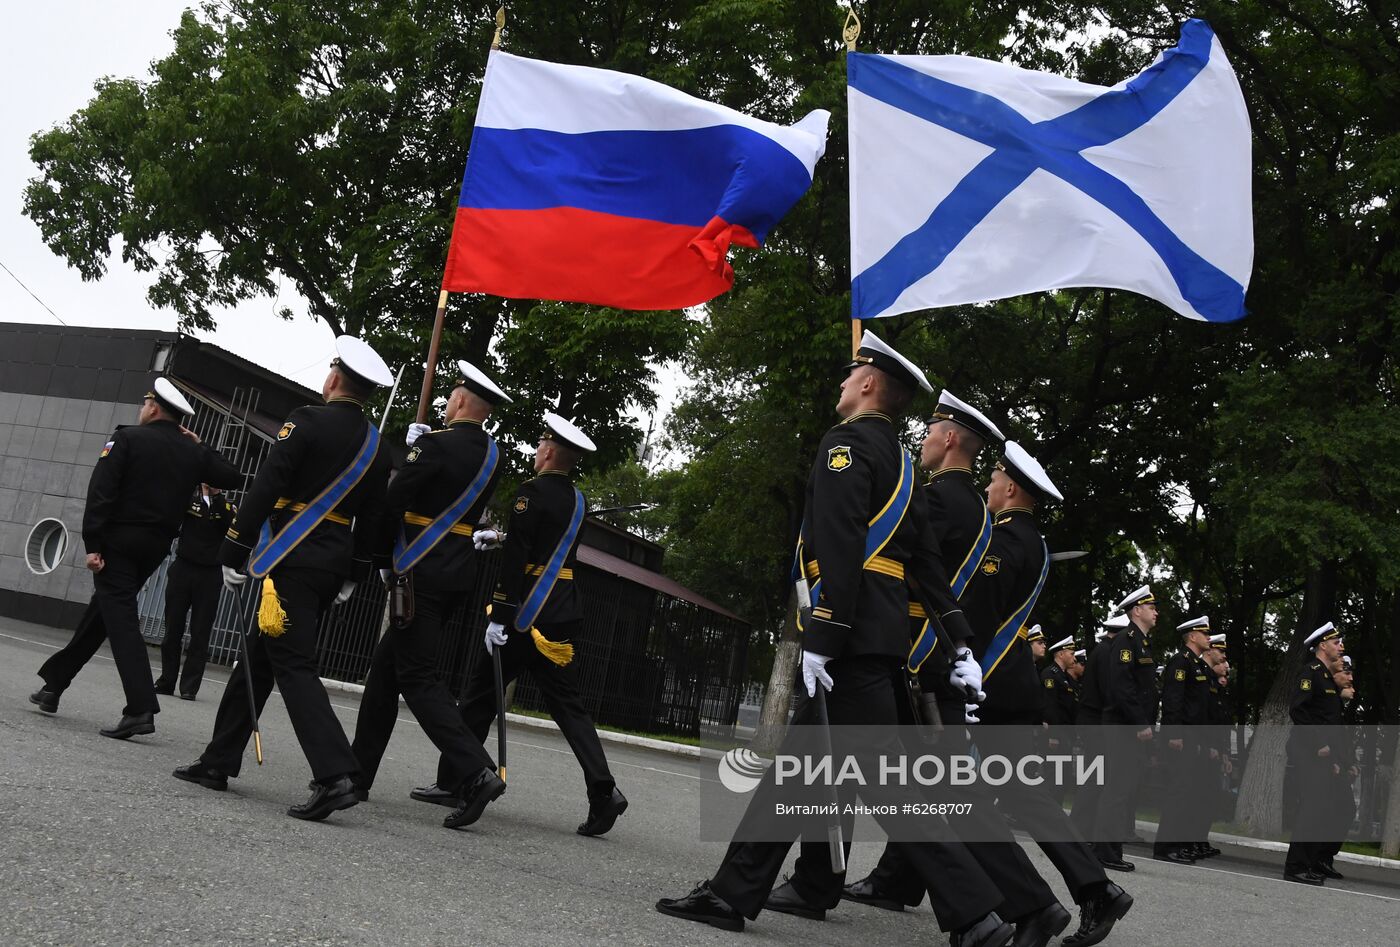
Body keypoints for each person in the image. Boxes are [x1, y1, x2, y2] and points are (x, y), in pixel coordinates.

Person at [656, 332, 1014, 947]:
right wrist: (959, 641)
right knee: (795, 775)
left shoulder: (846, 445)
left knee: (892, 786)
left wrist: (824, 634)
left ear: (871, 384)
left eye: (851, 374)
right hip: (877, 636)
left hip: (847, 638)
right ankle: (732, 893)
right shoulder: (901, 463)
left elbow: (843, 541)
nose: (842, 382)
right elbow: (927, 565)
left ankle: (977, 914)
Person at [173, 336, 393, 821]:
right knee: (259, 656)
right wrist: (356, 572)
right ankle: (218, 760)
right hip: (331, 560)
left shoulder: (307, 420)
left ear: (334, 377)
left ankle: (337, 775)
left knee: (293, 665)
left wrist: (235, 545)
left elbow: (270, 482)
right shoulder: (379, 447)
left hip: (292, 557)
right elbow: (375, 516)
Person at [958, 442, 1133, 947]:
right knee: (1022, 794)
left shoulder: (1005, 541)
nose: (988, 486)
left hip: (991, 684)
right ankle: (1097, 889)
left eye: (993, 479)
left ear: (1011, 488)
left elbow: (981, 618)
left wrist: (964, 677)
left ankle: (1033, 905)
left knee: (957, 794)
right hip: (1013, 686)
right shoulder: (1030, 539)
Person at [420, 412, 628, 837]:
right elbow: (548, 547)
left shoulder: (529, 494)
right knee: (570, 709)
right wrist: (500, 536)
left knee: (478, 697)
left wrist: (499, 613)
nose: (536, 451)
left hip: (524, 614)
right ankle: (604, 791)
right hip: (561, 613)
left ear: (549, 452)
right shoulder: (578, 500)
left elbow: (519, 563)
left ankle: (457, 780)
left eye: (540, 445)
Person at [30, 378, 239, 738]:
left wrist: (92, 544)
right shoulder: (192, 453)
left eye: (145, 403)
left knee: (121, 619)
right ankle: (54, 685)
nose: (142, 409)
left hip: (119, 544)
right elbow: (231, 476)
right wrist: (201, 444)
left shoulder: (127, 439)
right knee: (104, 611)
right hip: (155, 548)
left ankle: (140, 708)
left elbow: (101, 492)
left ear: (154, 408)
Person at [347, 360, 510, 820]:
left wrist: (380, 559)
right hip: (454, 574)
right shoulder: (492, 456)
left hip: (416, 570)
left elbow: (394, 501)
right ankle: (356, 775)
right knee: (385, 674)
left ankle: (475, 772)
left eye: (450, 396)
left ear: (459, 400)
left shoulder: (436, 445)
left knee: (417, 676)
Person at [1086, 586, 1158, 871]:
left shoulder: (1140, 643)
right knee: (1116, 789)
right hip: (1122, 727)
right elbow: (1121, 687)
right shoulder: (1127, 642)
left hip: (1129, 727)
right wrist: (1139, 723)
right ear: (1136, 610)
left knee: (1123, 789)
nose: (1156, 612)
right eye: (1151, 607)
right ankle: (1105, 851)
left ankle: (1110, 848)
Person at [156, 483, 238, 700]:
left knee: (200, 633)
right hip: (184, 567)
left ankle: (189, 687)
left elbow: (233, 528)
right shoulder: (189, 501)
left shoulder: (227, 507)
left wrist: (217, 496)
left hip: (210, 574)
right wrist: (200, 495)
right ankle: (166, 680)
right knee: (172, 628)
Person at [1283, 622, 1347, 884]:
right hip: (1309, 751)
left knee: (1320, 809)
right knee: (1310, 809)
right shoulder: (1310, 673)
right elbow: (1299, 710)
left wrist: (1332, 757)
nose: (1340, 647)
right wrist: (1318, 743)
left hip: (1322, 755)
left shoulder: (1325, 676)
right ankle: (1296, 866)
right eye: (1336, 642)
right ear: (1322, 645)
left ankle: (1308, 864)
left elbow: (1327, 719)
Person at [1152, 616, 1214, 864]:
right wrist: (1174, 733)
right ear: (1192, 636)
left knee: (1187, 792)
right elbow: (1173, 699)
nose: (1208, 637)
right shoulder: (1180, 662)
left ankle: (1177, 844)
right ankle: (1165, 847)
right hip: (1182, 735)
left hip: (1193, 736)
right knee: (1178, 792)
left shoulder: (1197, 664)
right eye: (1204, 633)